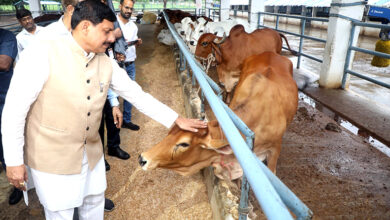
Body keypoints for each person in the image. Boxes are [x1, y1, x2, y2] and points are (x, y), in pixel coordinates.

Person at [2, 1, 206, 219]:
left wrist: (175, 119)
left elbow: (136, 95)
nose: (112, 38)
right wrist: (14, 161)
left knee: (94, 203)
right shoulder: (41, 54)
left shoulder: (105, 62)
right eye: (107, 31)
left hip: (91, 154)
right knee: (60, 211)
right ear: (85, 27)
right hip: (52, 158)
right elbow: (14, 110)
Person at [0, 28, 21, 205]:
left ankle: (19, 185)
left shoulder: (6, 36)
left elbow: (4, 63)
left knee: (9, 141)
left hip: (5, 100)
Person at [117, 0, 142, 131]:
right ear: (120, 6)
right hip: (116, 65)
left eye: (131, 9)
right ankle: (114, 122)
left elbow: (132, 43)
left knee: (130, 93)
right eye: (126, 7)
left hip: (130, 63)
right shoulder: (113, 23)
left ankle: (126, 120)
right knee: (113, 94)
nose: (128, 11)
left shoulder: (133, 26)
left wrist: (137, 43)